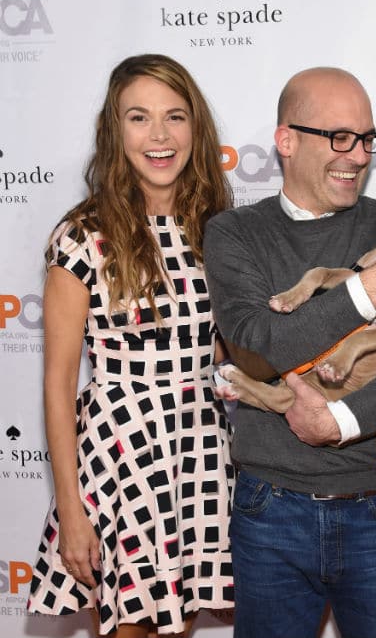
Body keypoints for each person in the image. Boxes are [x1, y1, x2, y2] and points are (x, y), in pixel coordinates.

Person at [204, 66, 376, 638]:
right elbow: (257, 350)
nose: (358, 154)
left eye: (368, 138)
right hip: (270, 510)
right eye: (340, 137)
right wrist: (371, 288)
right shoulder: (233, 233)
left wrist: (340, 421)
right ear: (287, 140)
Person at [27, 54, 235, 637]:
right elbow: (57, 386)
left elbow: (224, 351)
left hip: (199, 450)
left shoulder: (216, 231)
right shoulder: (82, 237)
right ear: (115, 133)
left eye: (175, 117)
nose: (160, 136)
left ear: (196, 128)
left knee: (179, 627)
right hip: (121, 457)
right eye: (139, 118)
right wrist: (71, 509)